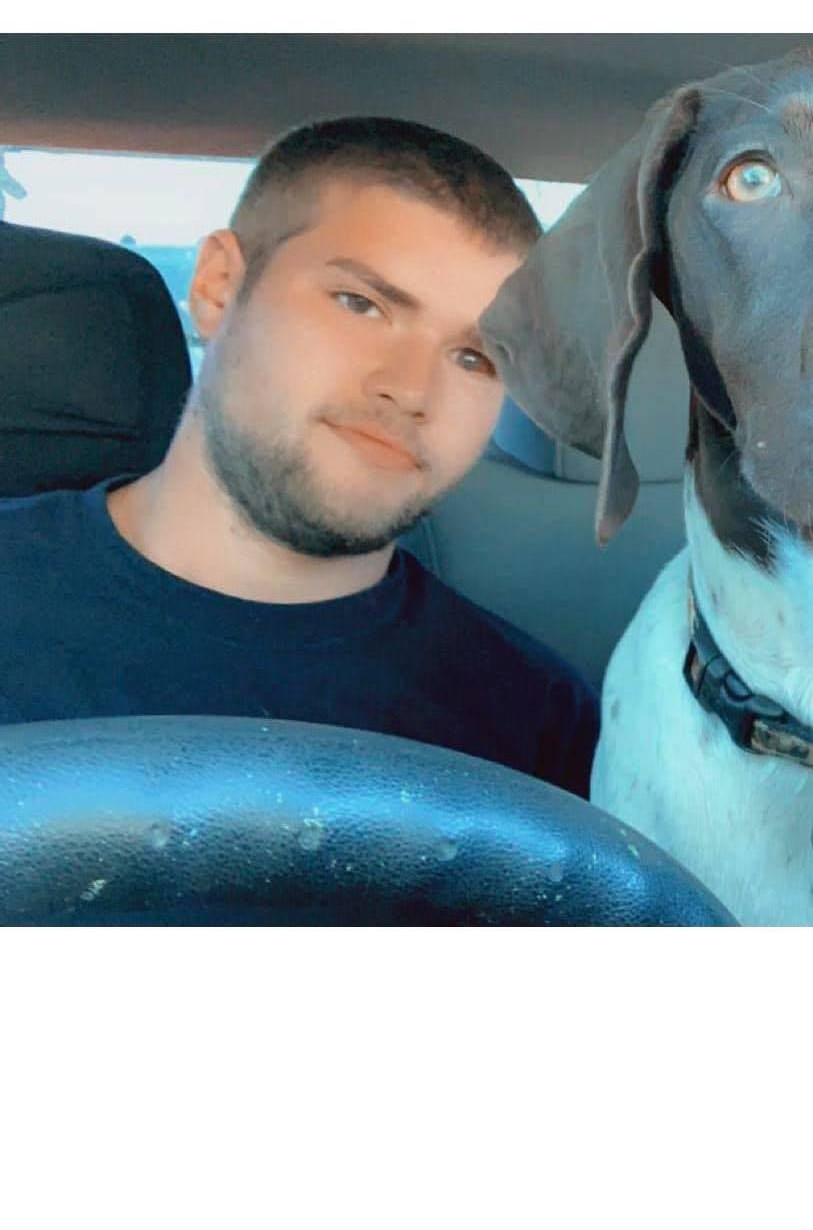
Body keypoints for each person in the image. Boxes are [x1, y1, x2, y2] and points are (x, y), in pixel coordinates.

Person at [0, 116, 598, 797]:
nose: (411, 390)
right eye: (359, 304)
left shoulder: (540, 724)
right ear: (219, 287)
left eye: (474, 358)